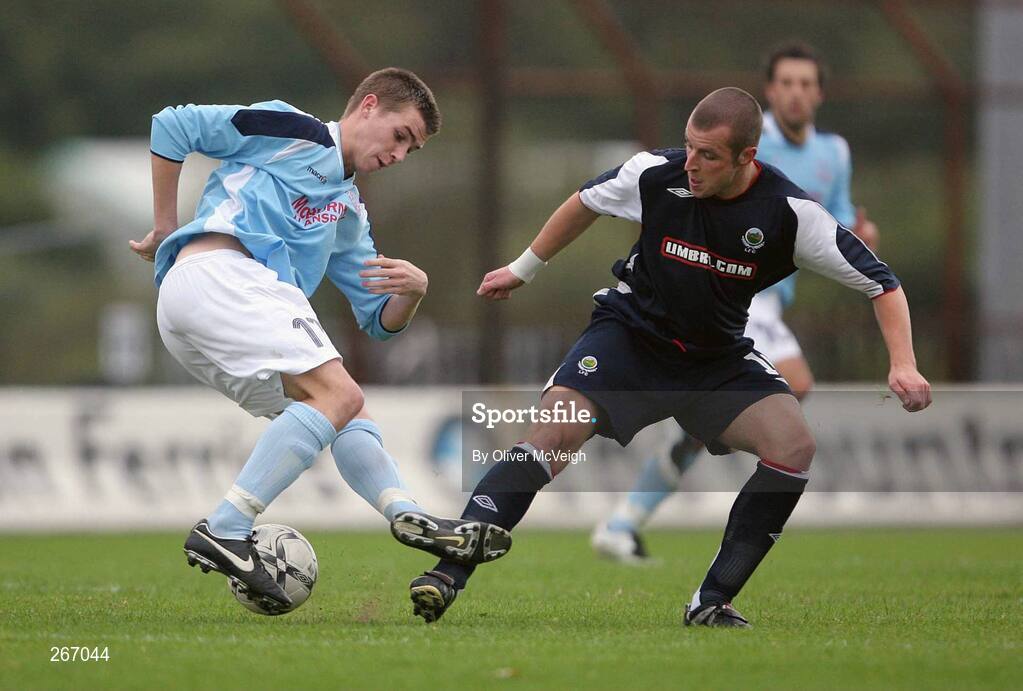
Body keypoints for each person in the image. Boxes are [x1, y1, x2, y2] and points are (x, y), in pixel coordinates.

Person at [406, 86, 931, 626]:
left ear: (746, 157)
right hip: (628, 339)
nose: (692, 165)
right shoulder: (655, 173)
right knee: (553, 432)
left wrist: (903, 363)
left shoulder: (790, 213)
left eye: (710, 155)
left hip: (714, 360)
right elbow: (585, 201)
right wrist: (523, 268)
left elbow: (882, 283)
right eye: (690, 147)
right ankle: (446, 574)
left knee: (793, 446)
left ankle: (711, 602)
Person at [130, 68, 510, 613]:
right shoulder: (293, 129)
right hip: (219, 274)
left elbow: (378, 319)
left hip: (199, 311)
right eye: (400, 135)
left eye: (412, 149)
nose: (400, 154)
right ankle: (226, 527)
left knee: (345, 412)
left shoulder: (347, 211)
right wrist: (166, 226)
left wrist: (413, 293)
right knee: (339, 396)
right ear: (369, 106)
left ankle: (406, 512)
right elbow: (172, 126)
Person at [592, 42, 880, 563]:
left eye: (805, 84)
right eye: (785, 83)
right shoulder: (746, 143)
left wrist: (860, 237)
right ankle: (637, 505)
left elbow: (834, 221)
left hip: (771, 298)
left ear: (820, 93)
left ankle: (629, 516)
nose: (795, 93)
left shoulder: (835, 153)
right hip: (736, 294)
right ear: (771, 90)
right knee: (795, 385)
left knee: (740, 411)